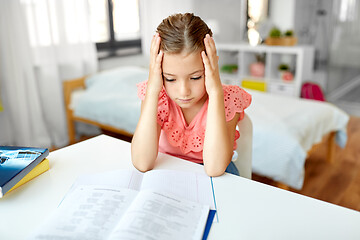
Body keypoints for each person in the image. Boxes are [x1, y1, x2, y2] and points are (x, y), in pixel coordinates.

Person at [131, 13, 251, 177]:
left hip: (215, 177)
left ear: (212, 67)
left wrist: (215, 92)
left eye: (195, 77)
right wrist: (152, 90)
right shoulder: (157, 96)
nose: (183, 91)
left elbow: (215, 168)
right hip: (168, 173)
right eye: (170, 79)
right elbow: (141, 162)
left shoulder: (228, 99)